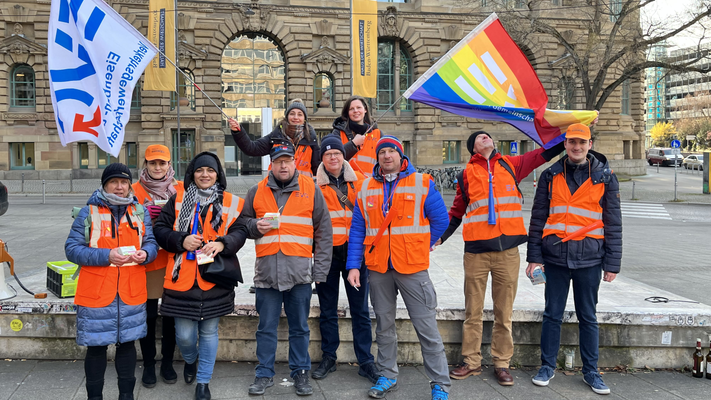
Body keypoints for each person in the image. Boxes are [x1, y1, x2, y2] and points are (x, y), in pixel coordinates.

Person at [440, 130, 565, 386]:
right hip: (476, 253)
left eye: (487, 135)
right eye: (480, 136)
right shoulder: (466, 174)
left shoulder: (511, 164)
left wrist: (572, 131)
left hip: (508, 252)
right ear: (473, 148)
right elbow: (456, 212)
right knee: (472, 312)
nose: (486, 136)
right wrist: (439, 238)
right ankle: (471, 362)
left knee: (503, 312)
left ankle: (501, 363)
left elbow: (545, 153)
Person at [346, 136, 451, 400]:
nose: (387, 156)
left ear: (401, 156)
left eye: (392, 151)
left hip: (412, 267)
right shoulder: (366, 187)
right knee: (383, 326)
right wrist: (353, 266)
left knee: (426, 326)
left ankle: (440, 383)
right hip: (379, 267)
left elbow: (441, 220)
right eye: (382, 152)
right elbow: (358, 229)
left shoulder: (421, 182)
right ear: (377, 157)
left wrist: (419, 244)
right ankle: (387, 375)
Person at [526, 123, 622, 395]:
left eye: (582, 142)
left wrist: (612, 264)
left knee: (588, 317)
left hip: (590, 259)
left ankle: (591, 371)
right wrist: (534, 257)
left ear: (590, 144)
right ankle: (547, 366)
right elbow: (538, 220)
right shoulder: (549, 175)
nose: (576, 147)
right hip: (555, 257)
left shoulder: (606, 176)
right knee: (551, 315)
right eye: (572, 142)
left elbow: (613, 223)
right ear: (565, 145)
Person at [153, 152, 256, 400]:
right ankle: (190, 360)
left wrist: (223, 243)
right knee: (185, 336)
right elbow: (160, 229)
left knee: (209, 332)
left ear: (217, 174)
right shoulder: (177, 200)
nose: (205, 175)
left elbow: (241, 230)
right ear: (192, 174)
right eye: (200, 171)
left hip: (214, 278)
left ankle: (203, 382)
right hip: (182, 280)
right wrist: (181, 239)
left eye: (210, 170)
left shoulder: (231, 201)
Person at [242, 143, 332, 397]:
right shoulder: (256, 191)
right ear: (271, 164)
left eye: (287, 161)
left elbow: (324, 232)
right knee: (265, 327)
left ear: (295, 162)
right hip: (267, 274)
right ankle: (264, 373)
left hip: (299, 274)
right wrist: (253, 226)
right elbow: (242, 223)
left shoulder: (311, 190)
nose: (283, 166)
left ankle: (301, 372)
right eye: (278, 161)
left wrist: (320, 271)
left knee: (300, 327)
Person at [65, 163, 159, 400]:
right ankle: (94, 397)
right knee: (96, 349)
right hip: (97, 292)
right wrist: (106, 256)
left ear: (130, 185)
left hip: (130, 291)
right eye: (113, 182)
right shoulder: (89, 212)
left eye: (124, 182)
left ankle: (126, 396)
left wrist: (146, 254)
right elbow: (72, 250)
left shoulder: (139, 211)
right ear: (104, 185)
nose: (119, 187)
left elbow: (151, 243)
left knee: (127, 346)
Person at [311, 136, 379, 383]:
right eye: (328, 154)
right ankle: (329, 357)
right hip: (326, 255)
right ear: (322, 158)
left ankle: (365, 361)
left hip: (355, 255)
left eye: (337, 153)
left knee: (360, 310)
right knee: (327, 311)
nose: (333, 157)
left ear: (343, 156)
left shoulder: (360, 182)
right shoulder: (312, 185)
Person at [132, 144, 183, 388]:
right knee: (149, 316)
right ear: (146, 165)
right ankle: (150, 363)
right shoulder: (133, 190)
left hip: (174, 260)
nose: (157, 167)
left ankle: (167, 363)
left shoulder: (182, 189)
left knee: (171, 315)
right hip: (148, 262)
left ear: (169, 165)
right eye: (153, 163)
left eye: (162, 163)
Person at [229, 99, 320, 177]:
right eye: (292, 113)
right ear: (287, 117)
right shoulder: (276, 136)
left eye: (300, 114)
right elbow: (251, 148)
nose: (295, 117)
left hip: (304, 192)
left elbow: (317, 168)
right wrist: (238, 131)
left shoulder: (311, 139)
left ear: (304, 118)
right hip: (277, 190)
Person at [331, 95, 381, 177]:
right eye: (351, 109)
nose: (355, 111)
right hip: (346, 185)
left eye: (359, 107)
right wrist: (353, 144)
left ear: (365, 110)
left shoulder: (377, 133)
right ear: (347, 112)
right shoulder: (338, 133)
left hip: (369, 184)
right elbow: (332, 158)